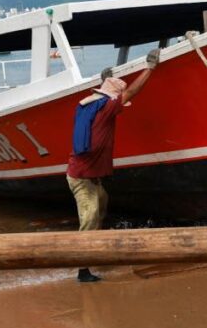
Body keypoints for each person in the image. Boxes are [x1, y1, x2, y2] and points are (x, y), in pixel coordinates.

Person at [67, 49, 160, 282]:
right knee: (90, 216)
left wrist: (104, 81)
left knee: (102, 205)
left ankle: (95, 250)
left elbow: (109, 95)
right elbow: (131, 92)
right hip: (82, 179)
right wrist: (150, 68)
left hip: (90, 177)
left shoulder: (88, 107)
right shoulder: (107, 109)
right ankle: (82, 270)